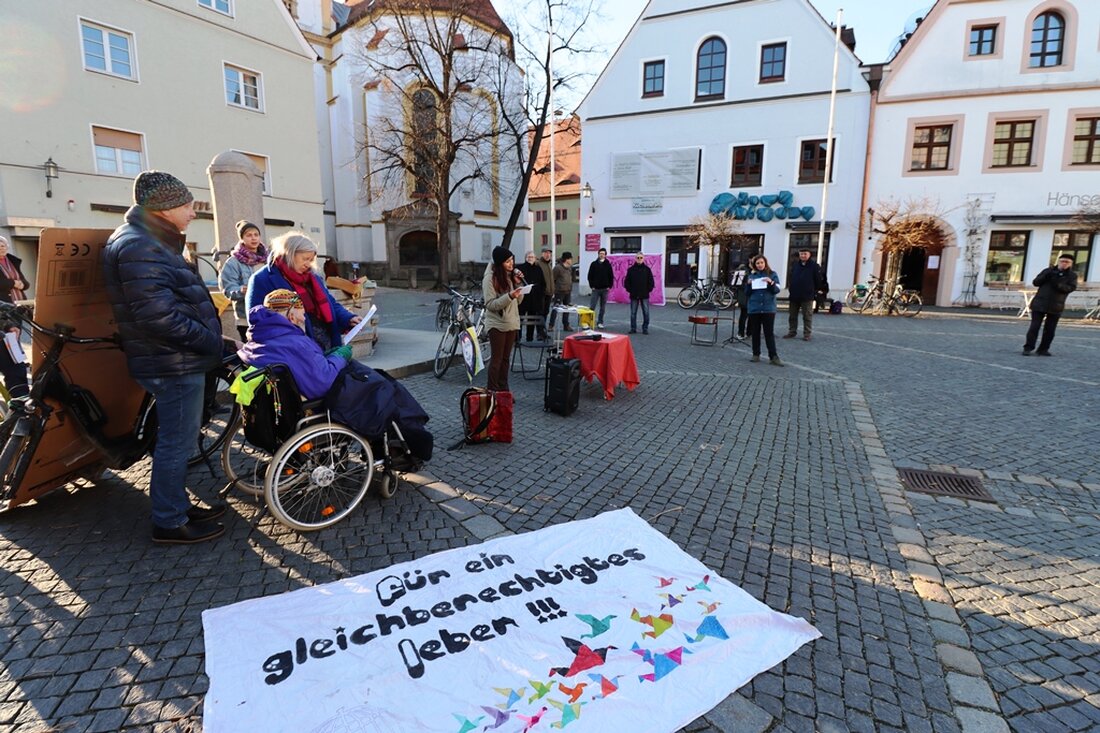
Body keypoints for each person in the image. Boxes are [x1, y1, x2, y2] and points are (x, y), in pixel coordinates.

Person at [101, 170, 225, 544]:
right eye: (188, 206)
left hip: (173, 359)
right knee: (176, 443)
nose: (192, 212)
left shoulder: (148, 240)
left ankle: (176, 506)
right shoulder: (141, 245)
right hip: (173, 362)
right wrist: (211, 343)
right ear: (166, 207)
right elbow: (159, 317)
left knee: (176, 440)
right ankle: (169, 521)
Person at [240, 290, 432, 461]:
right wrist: (341, 356)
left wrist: (329, 356)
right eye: (301, 312)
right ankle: (412, 439)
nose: (304, 316)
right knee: (383, 387)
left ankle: (403, 433)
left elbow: (308, 367)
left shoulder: (260, 337)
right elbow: (322, 382)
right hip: (319, 400)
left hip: (289, 399)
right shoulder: (293, 341)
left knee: (378, 379)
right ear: (291, 315)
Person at [246, 232, 360, 353]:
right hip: (295, 349)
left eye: (311, 260)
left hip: (327, 344)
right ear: (289, 254)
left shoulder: (313, 277)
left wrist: (348, 318)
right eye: (305, 259)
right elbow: (256, 319)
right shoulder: (261, 279)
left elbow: (330, 303)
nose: (308, 264)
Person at [482, 246, 524, 392]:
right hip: (497, 324)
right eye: (507, 261)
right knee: (497, 360)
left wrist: (518, 284)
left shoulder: (508, 276)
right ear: (500, 263)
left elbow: (518, 302)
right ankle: (492, 391)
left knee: (506, 360)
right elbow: (490, 304)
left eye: (512, 260)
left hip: (511, 322)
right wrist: (510, 296)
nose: (511, 264)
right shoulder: (490, 278)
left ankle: (503, 390)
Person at [219, 220, 268, 340]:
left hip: (269, 315)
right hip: (246, 319)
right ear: (242, 238)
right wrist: (242, 291)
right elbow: (228, 289)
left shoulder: (267, 259)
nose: (253, 238)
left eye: (256, 234)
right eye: (249, 235)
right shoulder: (233, 262)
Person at [1023, 253, 1078, 356]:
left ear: (1071, 264)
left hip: (1056, 305)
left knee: (1050, 329)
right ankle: (1028, 347)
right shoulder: (1048, 271)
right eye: (1062, 261)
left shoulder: (1072, 276)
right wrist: (1045, 277)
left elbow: (1070, 288)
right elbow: (1036, 282)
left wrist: (1058, 284)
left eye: (1067, 262)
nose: (1064, 264)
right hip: (1040, 303)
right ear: (1058, 261)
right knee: (1034, 327)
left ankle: (1043, 349)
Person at [0, 237, 30, 404]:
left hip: (11, 311)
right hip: (6, 310)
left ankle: (21, 402)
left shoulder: (12, 262)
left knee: (15, 360)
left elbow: (25, 283)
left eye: (3, 245)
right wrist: (13, 283)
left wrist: (9, 325)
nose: (1, 248)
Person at [744, 254, 783, 366]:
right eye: (757, 263)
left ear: (765, 263)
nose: (760, 265)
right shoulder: (752, 276)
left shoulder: (772, 274)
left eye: (761, 262)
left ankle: (773, 356)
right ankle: (756, 354)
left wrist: (771, 282)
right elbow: (747, 293)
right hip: (754, 308)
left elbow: (776, 290)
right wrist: (749, 285)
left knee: (768, 333)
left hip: (768, 308)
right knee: (755, 332)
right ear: (754, 265)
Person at [785, 248, 822, 341]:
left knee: (807, 316)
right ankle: (792, 332)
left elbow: (818, 280)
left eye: (805, 254)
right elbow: (790, 277)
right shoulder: (795, 265)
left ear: (809, 255)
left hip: (807, 295)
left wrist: (813, 290)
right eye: (801, 254)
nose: (803, 256)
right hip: (794, 294)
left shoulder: (814, 266)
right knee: (792, 316)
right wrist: (791, 288)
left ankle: (807, 334)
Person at [516, 250, 546, 341]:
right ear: (526, 258)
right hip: (523, 298)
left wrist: (540, 293)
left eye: (532, 257)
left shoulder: (538, 269)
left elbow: (543, 283)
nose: (530, 259)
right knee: (519, 320)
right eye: (529, 257)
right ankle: (517, 338)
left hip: (534, 298)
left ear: (535, 258)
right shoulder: (520, 268)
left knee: (531, 320)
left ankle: (530, 338)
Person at [624, 253, 655, 335]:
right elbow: (626, 282)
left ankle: (645, 328)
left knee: (646, 312)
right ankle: (633, 328)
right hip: (634, 295)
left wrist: (648, 290)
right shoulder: (631, 270)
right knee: (633, 313)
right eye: (638, 257)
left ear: (643, 259)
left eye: (641, 257)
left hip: (644, 295)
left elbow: (651, 282)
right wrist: (630, 290)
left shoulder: (647, 269)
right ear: (635, 258)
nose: (639, 259)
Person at [587, 247, 614, 328]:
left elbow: (611, 276)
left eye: (603, 254)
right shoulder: (593, 264)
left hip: (605, 289)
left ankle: (600, 322)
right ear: (598, 254)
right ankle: (589, 322)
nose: (601, 255)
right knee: (592, 306)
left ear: (605, 255)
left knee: (603, 307)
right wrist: (592, 286)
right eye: (600, 253)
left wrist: (609, 286)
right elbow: (590, 276)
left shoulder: (608, 265)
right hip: (595, 289)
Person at [548, 251, 574, 332]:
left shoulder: (570, 268)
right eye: (570, 259)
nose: (571, 260)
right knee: (556, 308)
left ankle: (566, 325)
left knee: (567, 309)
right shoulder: (558, 268)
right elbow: (552, 279)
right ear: (567, 259)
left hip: (568, 291)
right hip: (559, 292)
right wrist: (554, 290)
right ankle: (551, 325)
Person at [731, 259, 753, 339]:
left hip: (753, 297)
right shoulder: (743, 269)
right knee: (744, 315)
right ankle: (741, 333)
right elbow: (738, 284)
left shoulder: (756, 270)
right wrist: (747, 284)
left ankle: (749, 332)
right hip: (744, 296)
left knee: (752, 315)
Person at [537, 246, 555, 327]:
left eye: (549, 253)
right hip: (542, 293)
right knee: (540, 312)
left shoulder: (549, 264)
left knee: (546, 312)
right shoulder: (538, 264)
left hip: (549, 293)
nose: (548, 255)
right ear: (542, 254)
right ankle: (540, 332)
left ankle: (543, 330)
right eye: (546, 253)